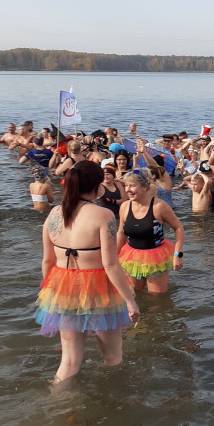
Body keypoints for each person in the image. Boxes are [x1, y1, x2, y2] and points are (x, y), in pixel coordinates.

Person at [35, 160, 139, 381]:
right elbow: (110, 264)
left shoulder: (53, 214)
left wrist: (49, 293)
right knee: (113, 357)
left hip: (62, 288)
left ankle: (57, 403)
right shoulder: (104, 216)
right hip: (100, 289)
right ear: (98, 186)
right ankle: (112, 400)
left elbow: (47, 261)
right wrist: (130, 301)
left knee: (69, 361)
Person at [116, 168, 184, 294]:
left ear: (145, 186)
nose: (127, 190)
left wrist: (177, 255)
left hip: (156, 257)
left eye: (132, 186)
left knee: (156, 300)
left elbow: (179, 228)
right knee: (135, 295)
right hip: (132, 257)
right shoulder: (125, 206)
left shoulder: (159, 206)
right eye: (126, 185)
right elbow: (121, 233)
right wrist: (115, 257)